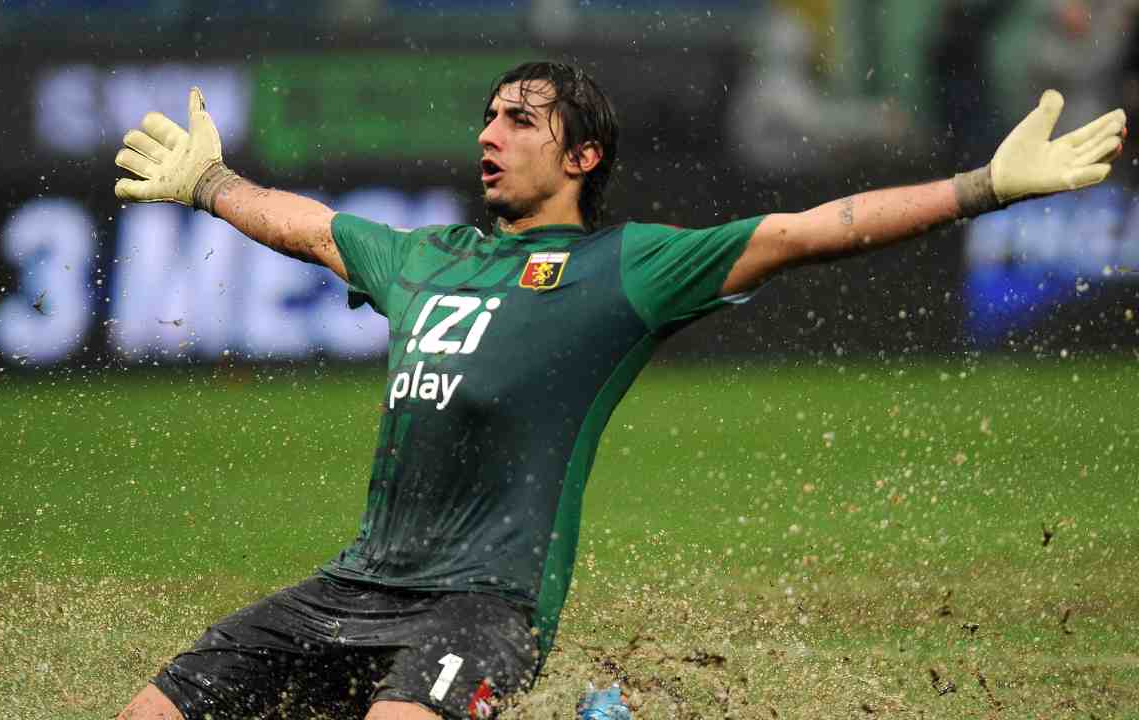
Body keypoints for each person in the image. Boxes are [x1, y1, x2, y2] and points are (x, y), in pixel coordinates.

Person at [111, 61, 1126, 720]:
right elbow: (308, 225)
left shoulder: (625, 270)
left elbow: (804, 230)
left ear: (581, 156)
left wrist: (980, 188)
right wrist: (210, 185)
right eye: (487, 117)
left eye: (520, 119)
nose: (490, 133)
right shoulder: (421, 258)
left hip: (480, 606)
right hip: (352, 585)